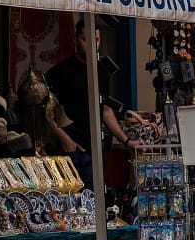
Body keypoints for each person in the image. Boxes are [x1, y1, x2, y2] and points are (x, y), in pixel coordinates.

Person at [45, 19, 142, 191]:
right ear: (75, 40)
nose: (91, 45)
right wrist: (64, 138)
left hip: (93, 150)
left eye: (96, 40)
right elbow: (45, 112)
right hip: (67, 152)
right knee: (70, 204)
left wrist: (126, 141)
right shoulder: (60, 72)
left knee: (94, 202)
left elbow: (105, 110)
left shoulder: (102, 72)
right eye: (85, 39)